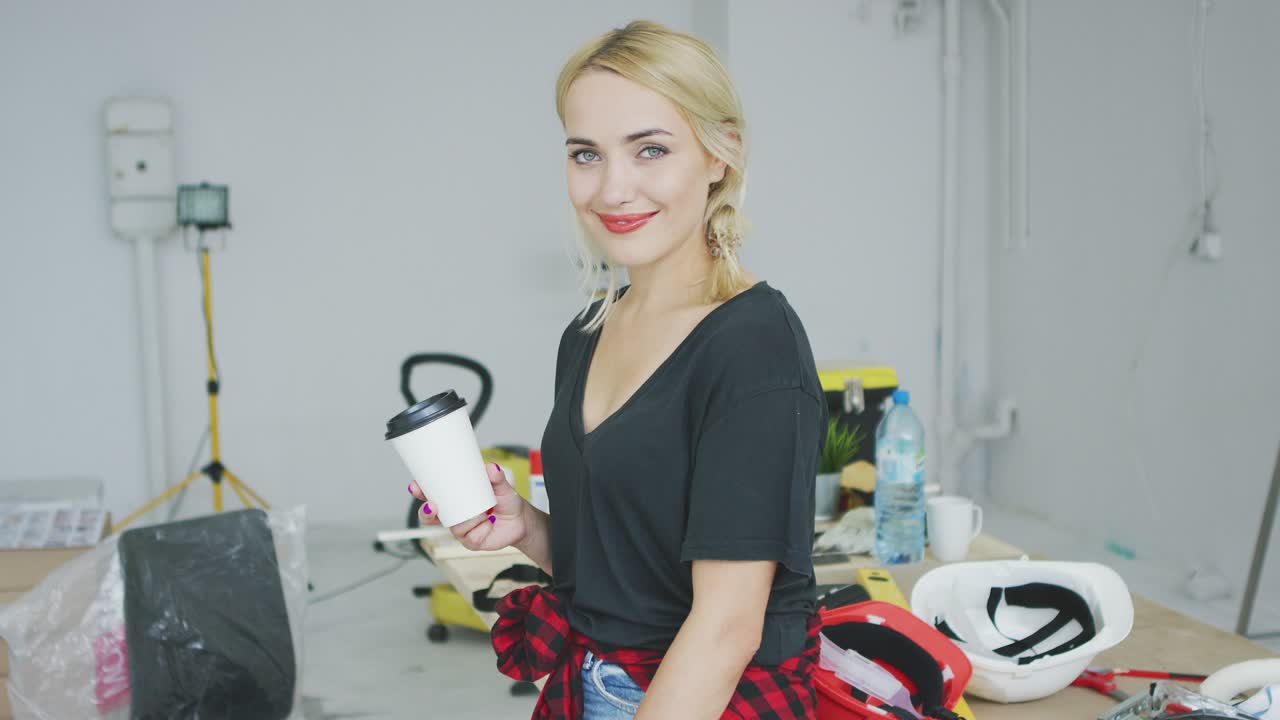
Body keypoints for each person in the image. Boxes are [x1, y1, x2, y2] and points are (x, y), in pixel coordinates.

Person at [409, 20, 827, 720]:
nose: (612, 189)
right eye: (586, 154)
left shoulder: (755, 346)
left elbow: (726, 628)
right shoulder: (590, 330)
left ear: (720, 154)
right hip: (592, 682)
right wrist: (527, 527)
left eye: (651, 150)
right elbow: (621, 568)